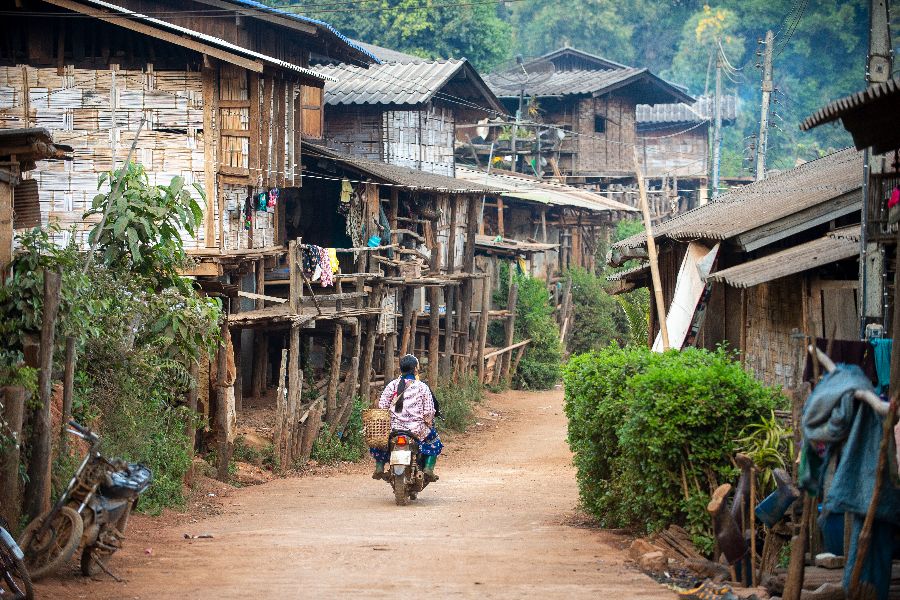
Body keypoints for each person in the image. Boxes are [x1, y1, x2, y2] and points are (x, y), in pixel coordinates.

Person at [370, 354, 443, 482]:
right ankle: (428, 469)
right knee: (434, 441)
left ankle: (379, 467)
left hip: (393, 430)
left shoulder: (392, 385)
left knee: (379, 440)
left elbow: (382, 407)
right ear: (415, 369)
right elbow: (429, 411)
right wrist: (428, 422)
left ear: (401, 369)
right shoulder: (422, 387)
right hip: (416, 430)